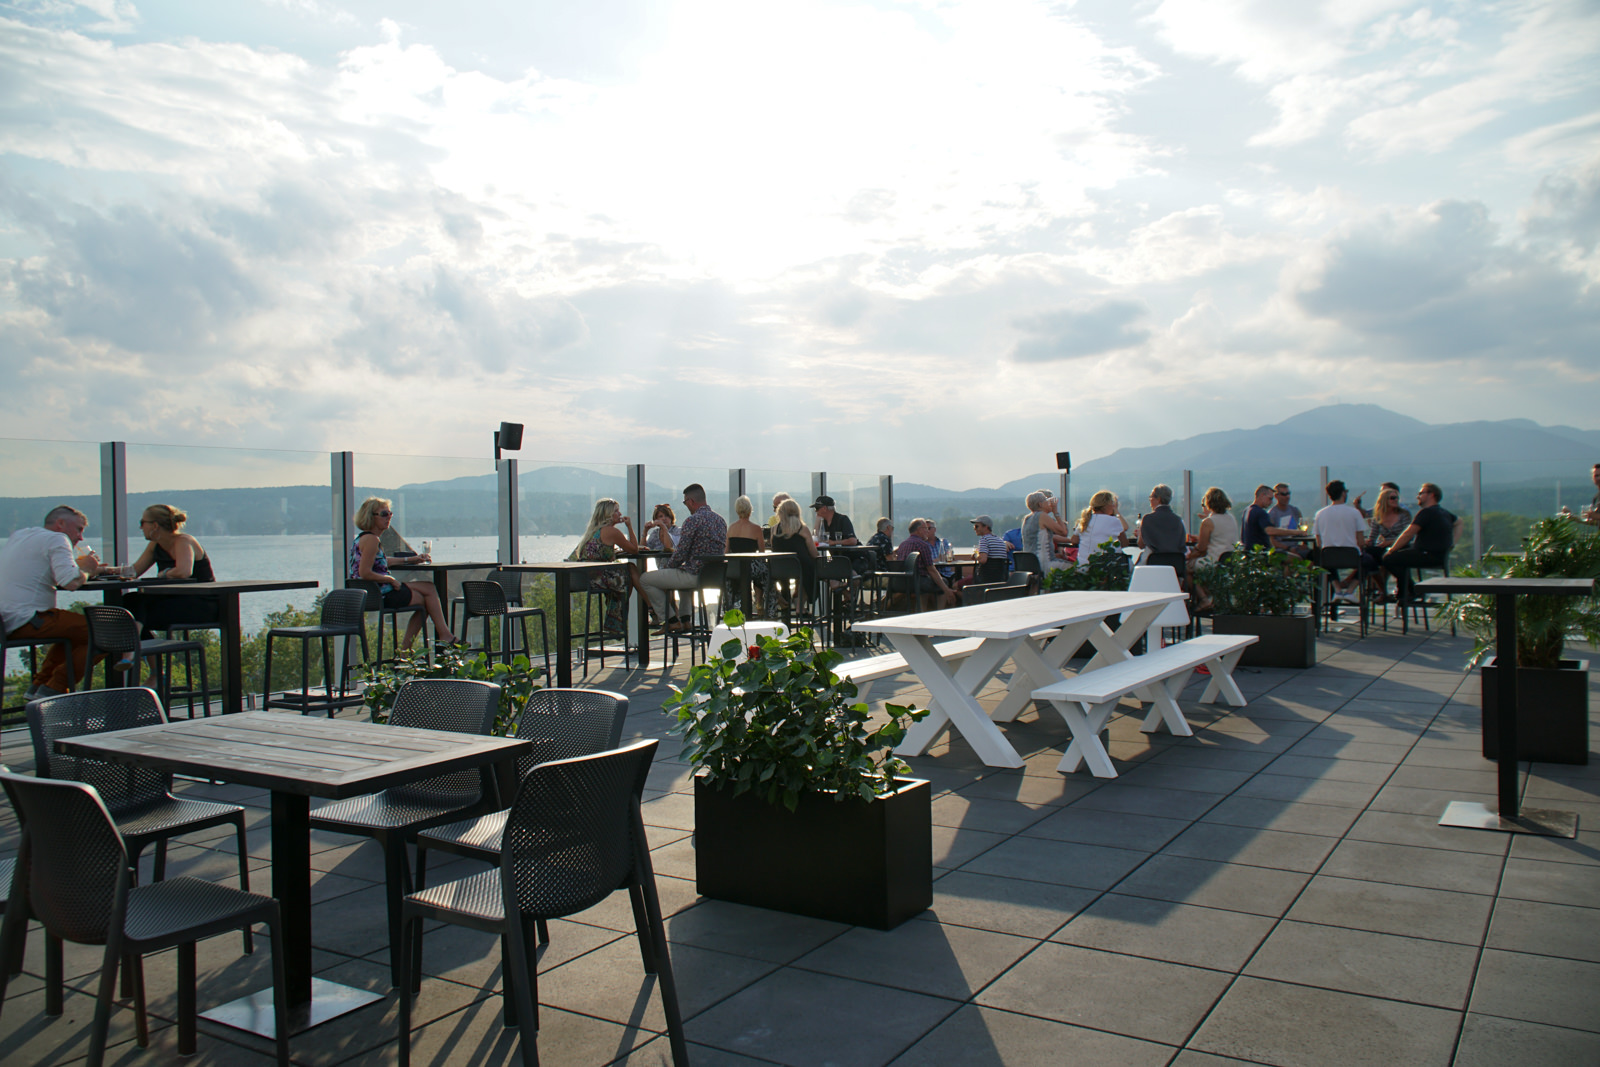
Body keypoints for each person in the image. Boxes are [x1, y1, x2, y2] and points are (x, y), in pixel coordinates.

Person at [0, 505, 108, 698]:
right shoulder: (58, 538)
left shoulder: (20, 536)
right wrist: (87, 570)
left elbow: (46, 572)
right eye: (79, 529)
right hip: (28, 619)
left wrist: (83, 569)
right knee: (107, 633)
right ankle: (54, 688)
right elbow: (69, 582)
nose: (81, 537)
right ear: (61, 524)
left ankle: (40, 686)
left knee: (75, 632)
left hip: (6, 620)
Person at [349, 497, 456, 648]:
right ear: (370, 517)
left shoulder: (361, 539)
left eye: (390, 513)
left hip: (369, 594)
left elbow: (381, 562)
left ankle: (409, 650)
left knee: (426, 600)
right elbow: (365, 573)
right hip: (381, 594)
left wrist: (411, 559)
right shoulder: (372, 540)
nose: (388, 517)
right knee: (429, 589)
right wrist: (390, 579)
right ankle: (441, 636)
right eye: (384, 514)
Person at [123, 503, 221, 634]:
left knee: (136, 608)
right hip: (175, 599)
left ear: (155, 525)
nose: (140, 527)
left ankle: (134, 645)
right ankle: (138, 645)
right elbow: (134, 571)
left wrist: (164, 574)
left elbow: (184, 572)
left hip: (200, 604)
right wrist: (102, 571)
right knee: (129, 602)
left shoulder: (183, 541)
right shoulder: (155, 545)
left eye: (142, 522)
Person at [641, 483, 726, 632]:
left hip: (695, 575)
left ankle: (670, 620)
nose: (686, 505)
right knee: (683, 572)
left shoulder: (692, 521)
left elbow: (681, 553)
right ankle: (686, 619)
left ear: (691, 501)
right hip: (714, 576)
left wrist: (668, 567)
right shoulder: (720, 520)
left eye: (685, 502)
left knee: (645, 579)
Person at [568, 498, 640, 635]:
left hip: (585, 577)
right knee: (629, 571)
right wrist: (630, 526)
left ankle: (621, 618)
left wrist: (616, 552)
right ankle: (650, 610)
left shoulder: (593, 531)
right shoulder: (611, 531)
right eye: (616, 511)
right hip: (597, 579)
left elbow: (598, 553)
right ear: (608, 514)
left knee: (628, 570)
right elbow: (634, 550)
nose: (620, 514)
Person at [1382, 483, 1461, 604]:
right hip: (1439, 556)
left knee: (1389, 559)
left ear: (1431, 495)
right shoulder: (1444, 512)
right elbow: (1459, 522)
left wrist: (1391, 550)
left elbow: (1408, 533)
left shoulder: (1426, 513)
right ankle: (1406, 592)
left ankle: (1411, 590)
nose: (1418, 496)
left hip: (1426, 555)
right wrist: (1452, 544)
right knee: (1400, 558)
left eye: (1421, 493)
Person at [1312, 480, 1367, 603]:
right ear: (1343, 493)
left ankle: (1337, 589)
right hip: (1351, 556)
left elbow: (1319, 542)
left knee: (1327, 562)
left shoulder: (1320, 514)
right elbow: (1361, 541)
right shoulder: (1354, 513)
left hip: (1329, 556)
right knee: (1369, 562)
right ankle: (1350, 590)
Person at [1186, 487, 1239, 611]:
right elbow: (1220, 537)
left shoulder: (1208, 522)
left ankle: (1204, 599)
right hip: (1229, 560)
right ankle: (1211, 596)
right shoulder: (1231, 518)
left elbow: (1202, 548)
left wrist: (1190, 555)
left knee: (1187, 568)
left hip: (1214, 560)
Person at [1361, 485, 1412, 598]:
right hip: (1384, 548)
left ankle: (1403, 589)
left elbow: (1408, 536)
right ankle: (1380, 587)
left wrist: (1389, 542)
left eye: (1396, 498)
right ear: (1384, 500)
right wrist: (1365, 542)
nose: (1395, 500)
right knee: (1367, 554)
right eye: (1392, 498)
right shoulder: (1378, 517)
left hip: (1401, 547)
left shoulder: (1404, 514)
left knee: (1390, 559)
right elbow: (1373, 537)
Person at [726, 495, 772, 615]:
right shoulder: (756, 528)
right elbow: (762, 553)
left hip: (734, 568)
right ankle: (764, 604)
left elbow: (726, 552)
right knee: (765, 573)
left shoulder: (731, 528)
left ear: (737, 510)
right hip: (751, 568)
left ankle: (736, 606)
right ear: (750, 510)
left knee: (758, 572)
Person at [895, 518, 956, 608]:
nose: (927, 531)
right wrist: (946, 590)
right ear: (919, 530)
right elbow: (931, 570)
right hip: (918, 582)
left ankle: (922, 610)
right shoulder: (923, 545)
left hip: (903, 581)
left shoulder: (903, 544)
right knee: (943, 581)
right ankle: (940, 611)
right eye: (926, 528)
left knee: (926, 583)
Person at [770, 498, 820, 608]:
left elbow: (773, 549)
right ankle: (800, 604)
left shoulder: (774, 529)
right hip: (800, 569)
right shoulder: (802, 529)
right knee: (811, 568)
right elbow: (814, 553)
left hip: (778, 569)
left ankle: (779, 596)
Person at [1021, 490, 1072, 572]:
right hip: (1045, 563)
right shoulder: (1042, 515)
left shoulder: (1027, 518)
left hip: (1030, 564)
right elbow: (1063, 532)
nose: (1049, 503)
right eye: (1046, 500)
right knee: (1076, 569)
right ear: (1040, 504)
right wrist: (1056, 512)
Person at [1076, 490, 1126, 562]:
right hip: (1106, 565)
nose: (1113, 507)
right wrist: (1116, 512)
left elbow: (1074, 540)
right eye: (1113, 504)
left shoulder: (1085, 520)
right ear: (1107, 505)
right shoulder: (1114, 521)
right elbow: (1124, 543)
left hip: (1083, 564)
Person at [1242, 485, 1294, 554]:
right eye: (1270, 499)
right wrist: (1296, 532)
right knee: (1296, 558)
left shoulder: (1247, 510)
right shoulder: (1260, 512)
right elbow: (1270, 531)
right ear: (1262, 496)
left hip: (1248, 552)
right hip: (1261, 553)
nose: (1271, 502)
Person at [1138, 484, 1187, 558]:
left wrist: (1140, 533)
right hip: (1175, 560)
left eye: (1151, 497)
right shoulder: (1178, 520)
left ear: (1158, 499)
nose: (1150, 499)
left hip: (1153, 560)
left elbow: (1141, 545)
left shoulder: (1147, 519)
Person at [1268, 483, 1310, 558]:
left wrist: (1304, 544)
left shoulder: (1295, 511)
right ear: (1276, 496)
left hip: (1296, 548)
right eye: (1283, 494)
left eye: (1288, 493)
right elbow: (1271, 540)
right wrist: (1288, 548)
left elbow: (1302, 530)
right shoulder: (1272, 514)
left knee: (1314, 555)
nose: (1287, 497)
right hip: (1281, 550)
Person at [970, 515, 1011, 584]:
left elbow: (983, 560)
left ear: (986, 527)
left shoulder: (984, 539)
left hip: (986, 579)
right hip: (1000, 579)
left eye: (977, 526)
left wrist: (975, 556)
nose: (974, 529)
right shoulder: (1000, 540)